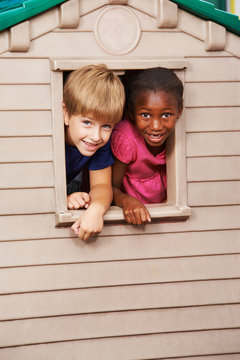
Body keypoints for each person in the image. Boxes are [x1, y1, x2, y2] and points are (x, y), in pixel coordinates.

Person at [111, 67, 183, 225]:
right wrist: (126, 202)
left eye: (166, 115)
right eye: (145, 115)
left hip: (163, 217)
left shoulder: (180, 138)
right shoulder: (126, 139)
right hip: (130, 217)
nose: (156, 126)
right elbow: (111, 187)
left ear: (179, 112)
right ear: (130, 112)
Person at [63, 64, 125, 240]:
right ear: (66, 113)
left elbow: (101, 186)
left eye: (106, 126)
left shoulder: (99, 144)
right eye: (87, 122)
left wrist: (96, 210)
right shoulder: (49, 139)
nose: (96, 136)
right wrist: (63, 199)